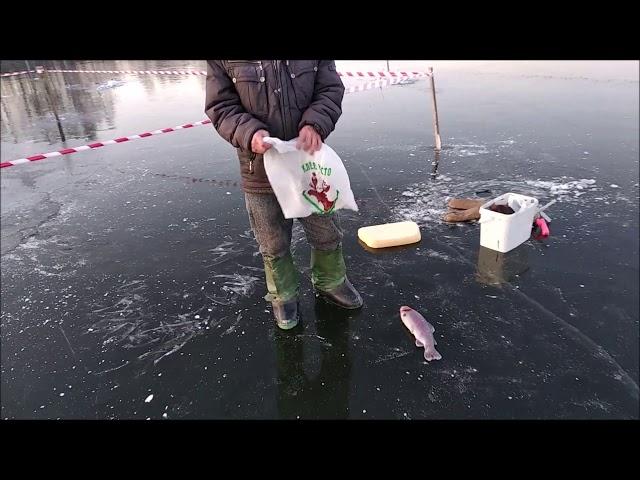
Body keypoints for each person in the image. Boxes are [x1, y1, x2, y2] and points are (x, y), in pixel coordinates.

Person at [204, 60, 362, 330]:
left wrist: (315, 124)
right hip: (259, 169)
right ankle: (283, 294)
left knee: (325, 228)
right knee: (272, 239)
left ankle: (331, 280)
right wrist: (249, 132)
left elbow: (330, 89)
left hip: (309, 164)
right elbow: (220, 106)